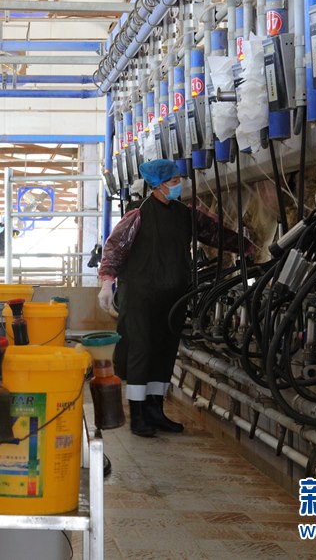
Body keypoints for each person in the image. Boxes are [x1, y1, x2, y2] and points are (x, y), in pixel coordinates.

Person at [97, 158, 246, 437]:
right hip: (140, 296)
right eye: (174, 181)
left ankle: (156, 410)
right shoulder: (138, 214)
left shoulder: (184, 213)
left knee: (164, 351)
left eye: (179, 180)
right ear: (158, 184)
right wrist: (107, 281)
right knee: (141, 350)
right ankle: (138, 414)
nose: (179, 185)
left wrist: (246, 246)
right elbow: (115, 247)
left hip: (173, 295)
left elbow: (213, 232)